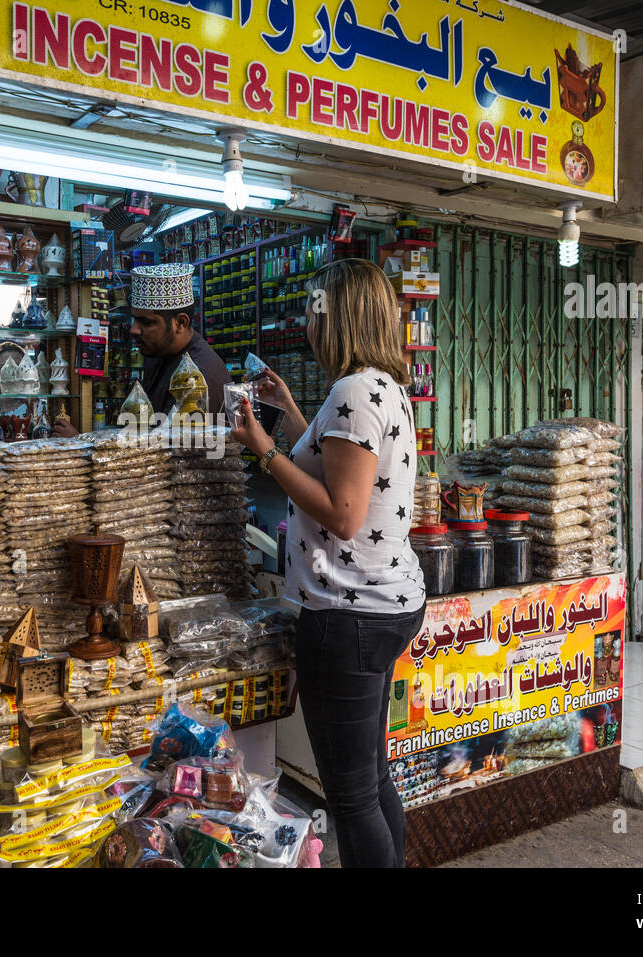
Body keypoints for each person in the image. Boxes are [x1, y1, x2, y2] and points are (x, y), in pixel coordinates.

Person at [229, 258, 426, 868]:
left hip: (348, 615)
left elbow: (342, 512)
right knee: (371, 779)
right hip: (382, 604)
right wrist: (288, 411)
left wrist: (263, 451)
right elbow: (330, 466)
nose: (307, 326)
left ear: (337, 318)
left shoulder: (354, 391)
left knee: (351, 796)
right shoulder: (379, 386)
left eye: (314, 314)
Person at [129, 263, 231, 416]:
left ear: (180, 323)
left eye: (147, 322)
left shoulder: (197, 377)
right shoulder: (159, 354)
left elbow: (177, 439)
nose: (134, 330)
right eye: (134, 320)